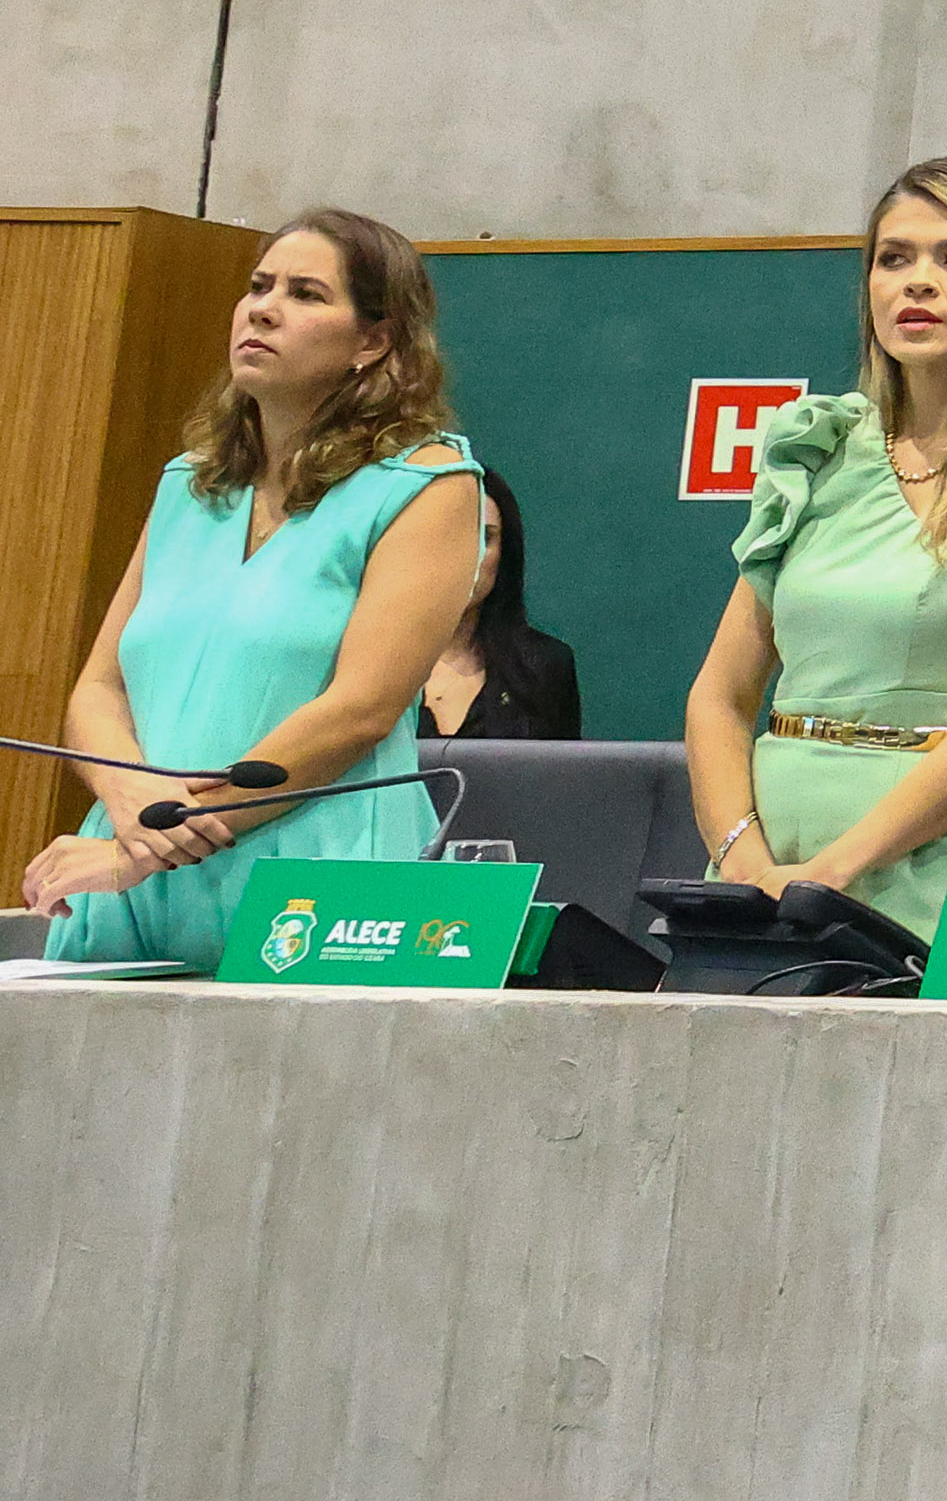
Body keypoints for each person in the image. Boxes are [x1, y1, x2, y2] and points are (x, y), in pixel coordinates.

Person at [24, 212, 487, 971]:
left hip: (316, 890)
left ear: (373, 341)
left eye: (306, 294)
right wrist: (132, 808)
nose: (263, 308)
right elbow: (100, 690)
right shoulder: (189, 482)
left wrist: (164, 837)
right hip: (135, 862)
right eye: (258, 286)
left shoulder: (427, 484)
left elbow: (359, 710)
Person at [686, 158, 947, 932]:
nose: (917, 282)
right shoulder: (818, 447)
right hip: (762, 866)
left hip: (923, 869)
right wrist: (745, 862)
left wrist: (836, 868)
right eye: (893, 258)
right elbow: (719, 695)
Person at [420, 467, 581, 741]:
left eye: (485, 537)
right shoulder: (360, 661)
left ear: (504, 554)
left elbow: (561, 779)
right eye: (449, 533)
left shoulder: (544, 666)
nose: (467, 554)